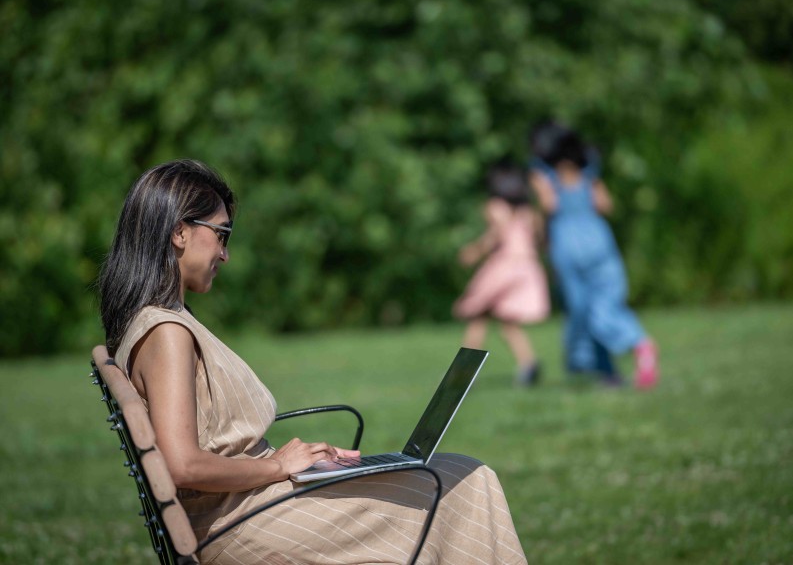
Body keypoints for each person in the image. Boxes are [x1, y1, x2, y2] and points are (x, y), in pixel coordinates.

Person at [98, 159, 527, 565]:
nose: (225, 254)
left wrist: (304, 466)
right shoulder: (166, 332)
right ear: (179, 232)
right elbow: (182, 464)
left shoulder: (159, 321)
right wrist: (278, 466)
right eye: (221, 234)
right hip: (247, 524)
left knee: (454, 474)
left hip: (253, 506)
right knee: (463, 482)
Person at [528, 123, 659, 389]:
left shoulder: (542, 174)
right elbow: (605, 205)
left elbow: (548, 205)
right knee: (603, 306)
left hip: (567, 245)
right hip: (599, 242)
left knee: (582, 310)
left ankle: (637, 343)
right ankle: (609, 372)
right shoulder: (589, 172)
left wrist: (540, 236)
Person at [453, 158, 550, 386]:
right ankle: (528, 363)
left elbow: (496, 235)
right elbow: (541, 241)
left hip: (504, 266)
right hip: (527, 268)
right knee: (508, 320)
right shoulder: (529, 212)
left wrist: (474, 252)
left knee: (478, 316)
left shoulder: (495, 207)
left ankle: (463, 371)